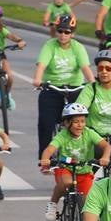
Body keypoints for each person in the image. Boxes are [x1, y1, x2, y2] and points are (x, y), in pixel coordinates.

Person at [31, 16, 94, 157]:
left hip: (75, 89)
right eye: (60, 31)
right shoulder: (50, 45)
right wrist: (38, 79)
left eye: (67, 32)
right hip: (52, 88)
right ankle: (44, 157)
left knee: (82, 122)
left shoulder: (78, 47)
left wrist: (92, 82)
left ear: (72, 33)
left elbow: (85, 68)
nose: (63, 35)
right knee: (45, 123)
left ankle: (84, 152)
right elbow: (42, 65)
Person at [40, 102, 111, 220]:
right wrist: (45, 159)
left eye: (83, 121)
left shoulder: (89, 133)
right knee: (66, 183)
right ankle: (53, 204)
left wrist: (105, 157)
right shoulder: (62, 135)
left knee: (87, 204)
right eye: (76, 122)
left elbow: (106, 146)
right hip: (66, 169)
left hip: (85, 171)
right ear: (67, 123)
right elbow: (49, 149)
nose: (80, 125)